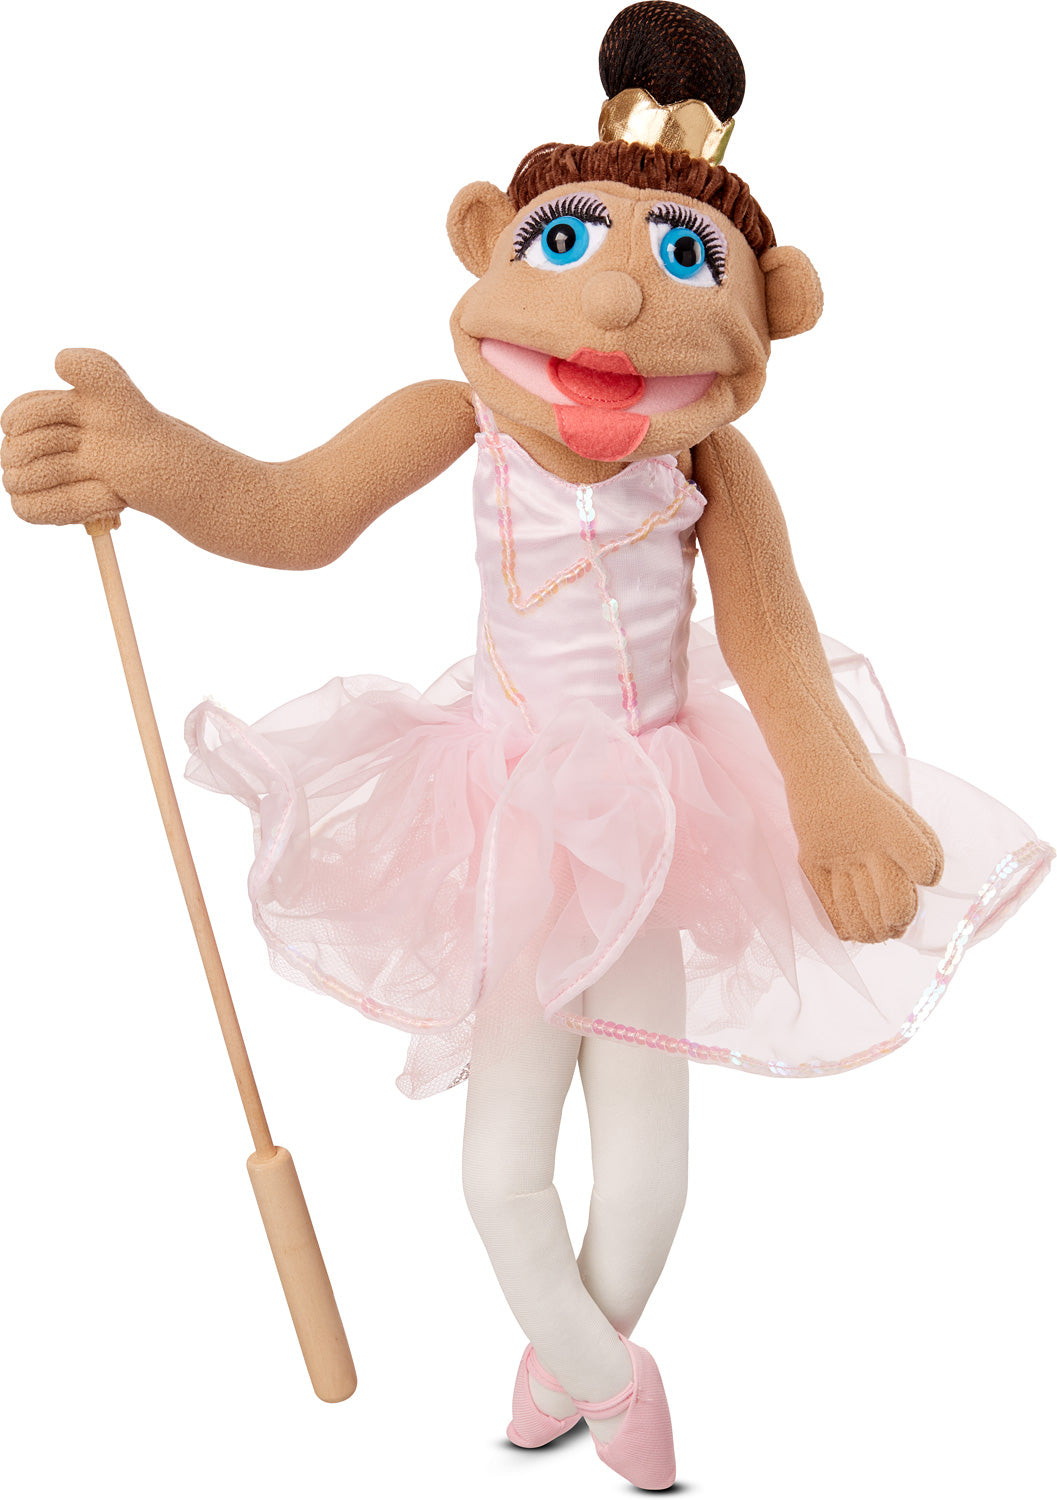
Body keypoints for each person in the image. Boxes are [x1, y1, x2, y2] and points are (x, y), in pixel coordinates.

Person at [3, 5, 1049, 1490]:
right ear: (486, 240)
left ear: (772, 309)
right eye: (562, 244)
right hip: (501, 813)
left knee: (650, 1182)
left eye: (684, 259)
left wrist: (835, 800)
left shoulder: (713, 462)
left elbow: (776, 646)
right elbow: (297, 512)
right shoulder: (458, 418)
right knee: (501, 1176)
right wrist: (157, 463)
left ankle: (565, 1366)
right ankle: (614, 1386)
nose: (617, 299)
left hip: (666, 815)